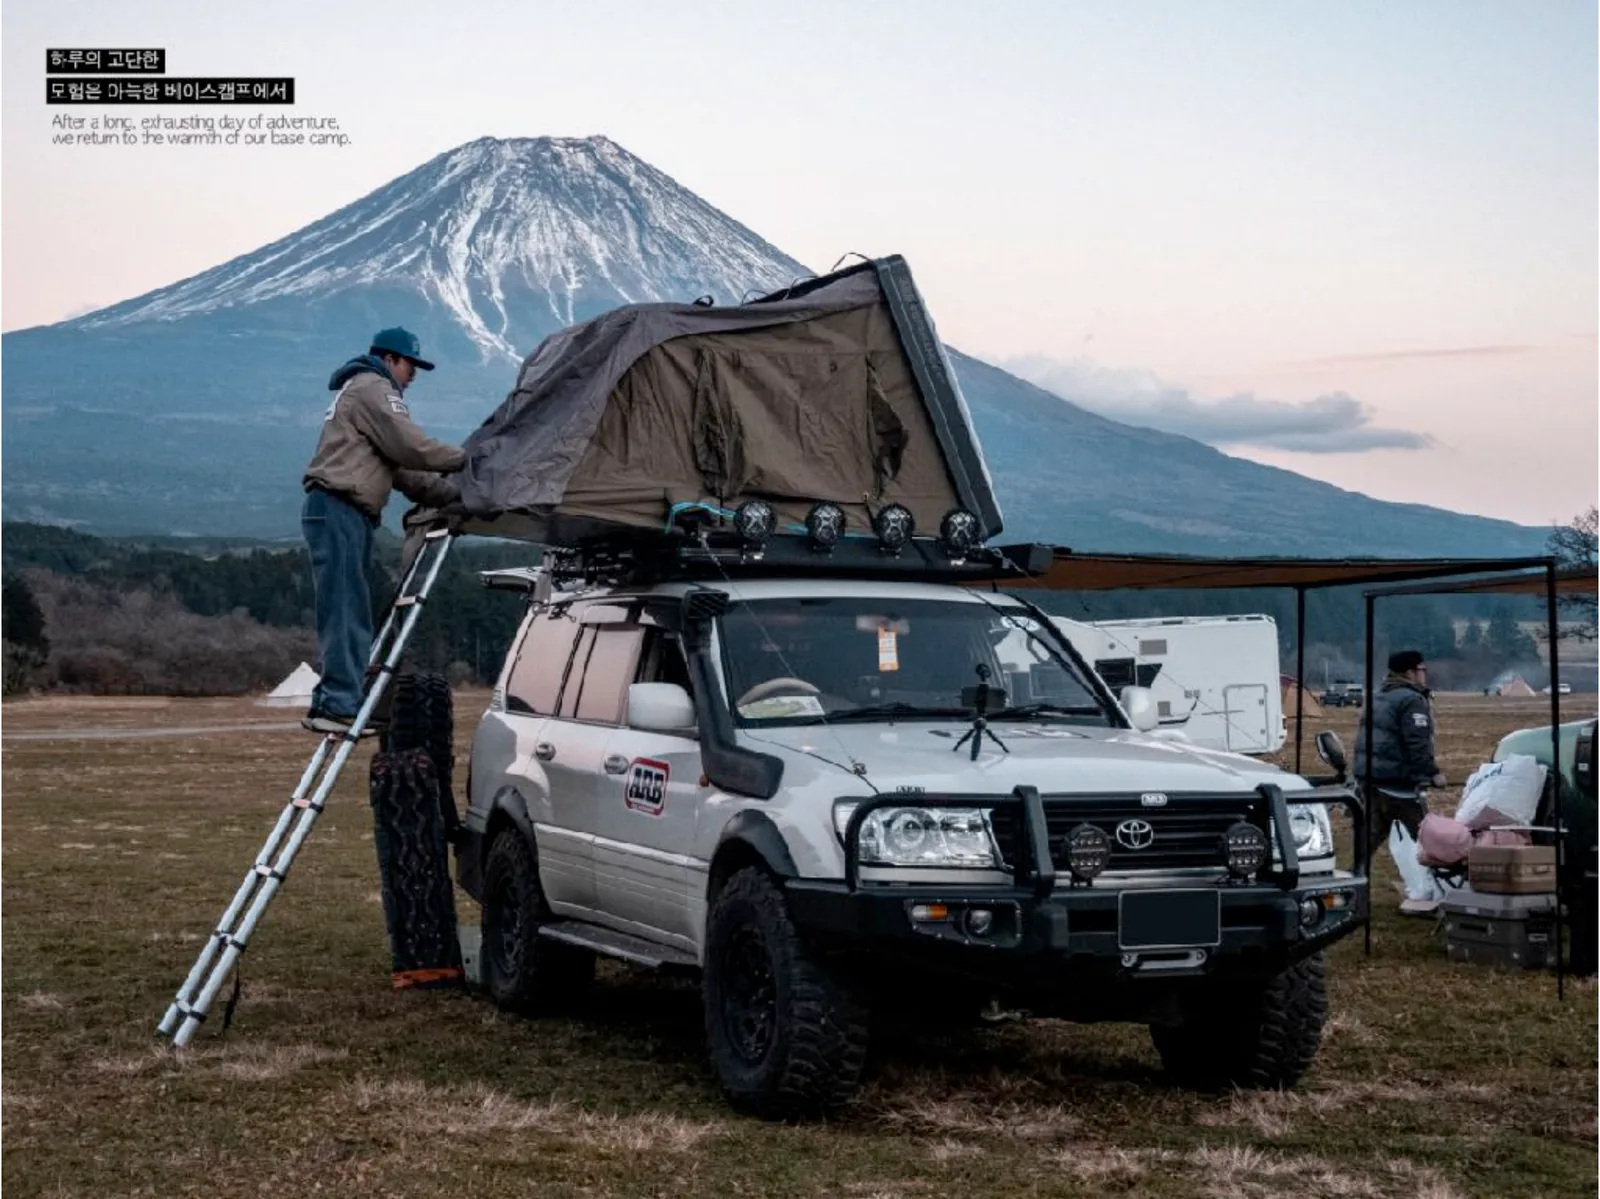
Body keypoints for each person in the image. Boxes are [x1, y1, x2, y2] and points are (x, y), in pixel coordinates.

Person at [301, 327, 466, 734]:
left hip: (344, 511)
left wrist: (457, 497)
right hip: (339, 506)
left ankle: (337, 699)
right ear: (391, 358)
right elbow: (412, 448)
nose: (414, 376)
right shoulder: (374, 388)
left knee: (351, 606)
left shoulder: (359, 391)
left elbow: (406, 472)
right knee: (345, 608)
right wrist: (468, 460)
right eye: (412, 365)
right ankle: (338, 705)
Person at [1353, 648, 1447, 911]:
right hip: (1398, 787)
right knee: (1430, 841)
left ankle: (1354, 896)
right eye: (1422, 670)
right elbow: (1416, 743)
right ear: (1410, 672)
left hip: (1369, 782)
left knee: (1364, 847)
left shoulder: (1376, 697)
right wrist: (1432, 773)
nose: (1424, 675)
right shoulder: (1411, 700)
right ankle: (1441, 894)